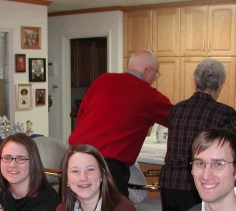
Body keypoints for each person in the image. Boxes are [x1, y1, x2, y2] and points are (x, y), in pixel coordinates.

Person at [159, 58, 236, 211]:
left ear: (195, 83)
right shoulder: (222, 112)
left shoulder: (176, 110)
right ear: (220, 86)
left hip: (170, 183)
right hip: (198, 185)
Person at [68, 49, 173, 197]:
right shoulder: (149, 96)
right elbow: (178, 120)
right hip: (107, 167)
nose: (155, 78)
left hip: (74, 159)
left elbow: (81, 115)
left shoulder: (102, 81)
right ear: (148, 70)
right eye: (156, 74)